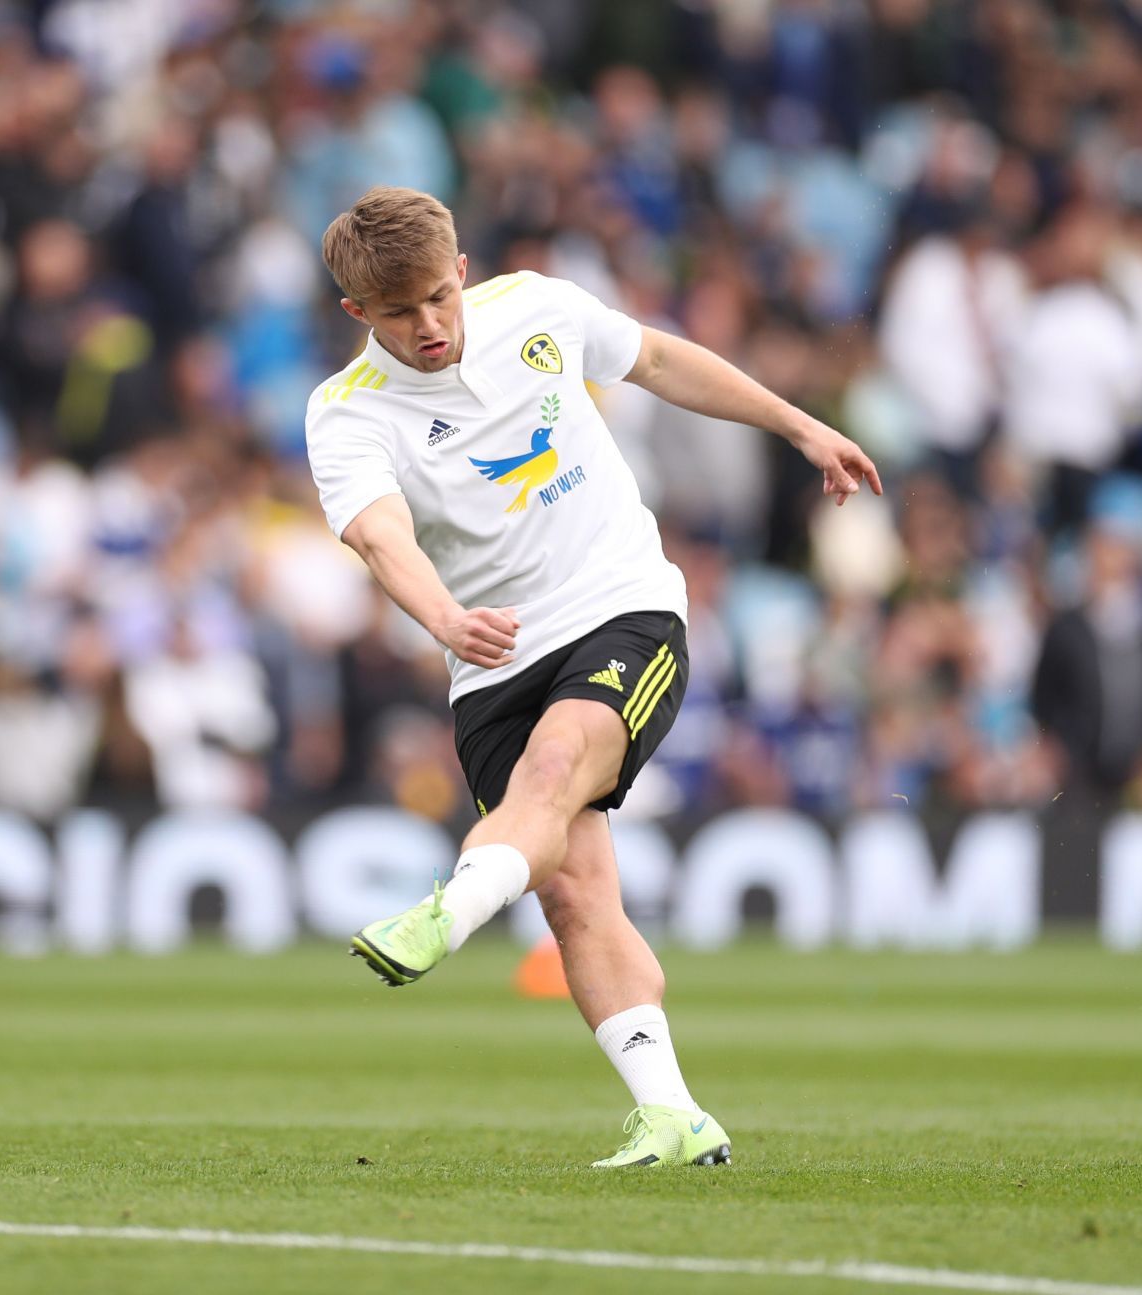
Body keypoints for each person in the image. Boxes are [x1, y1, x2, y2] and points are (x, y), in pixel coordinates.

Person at [305, 187, 881, 1169]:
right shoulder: (344, 412)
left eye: (440, 296)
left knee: (559, 760)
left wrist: (799, 425)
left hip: (621, 606)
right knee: (575, 896)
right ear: (360, 315)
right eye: (402, 314)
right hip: (488, 658)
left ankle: (454, 904)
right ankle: (672, 1112)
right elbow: (378, 535)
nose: (432, 325)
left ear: (463, 270)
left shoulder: (534, 307)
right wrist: (444, 616)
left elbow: (655, 359)